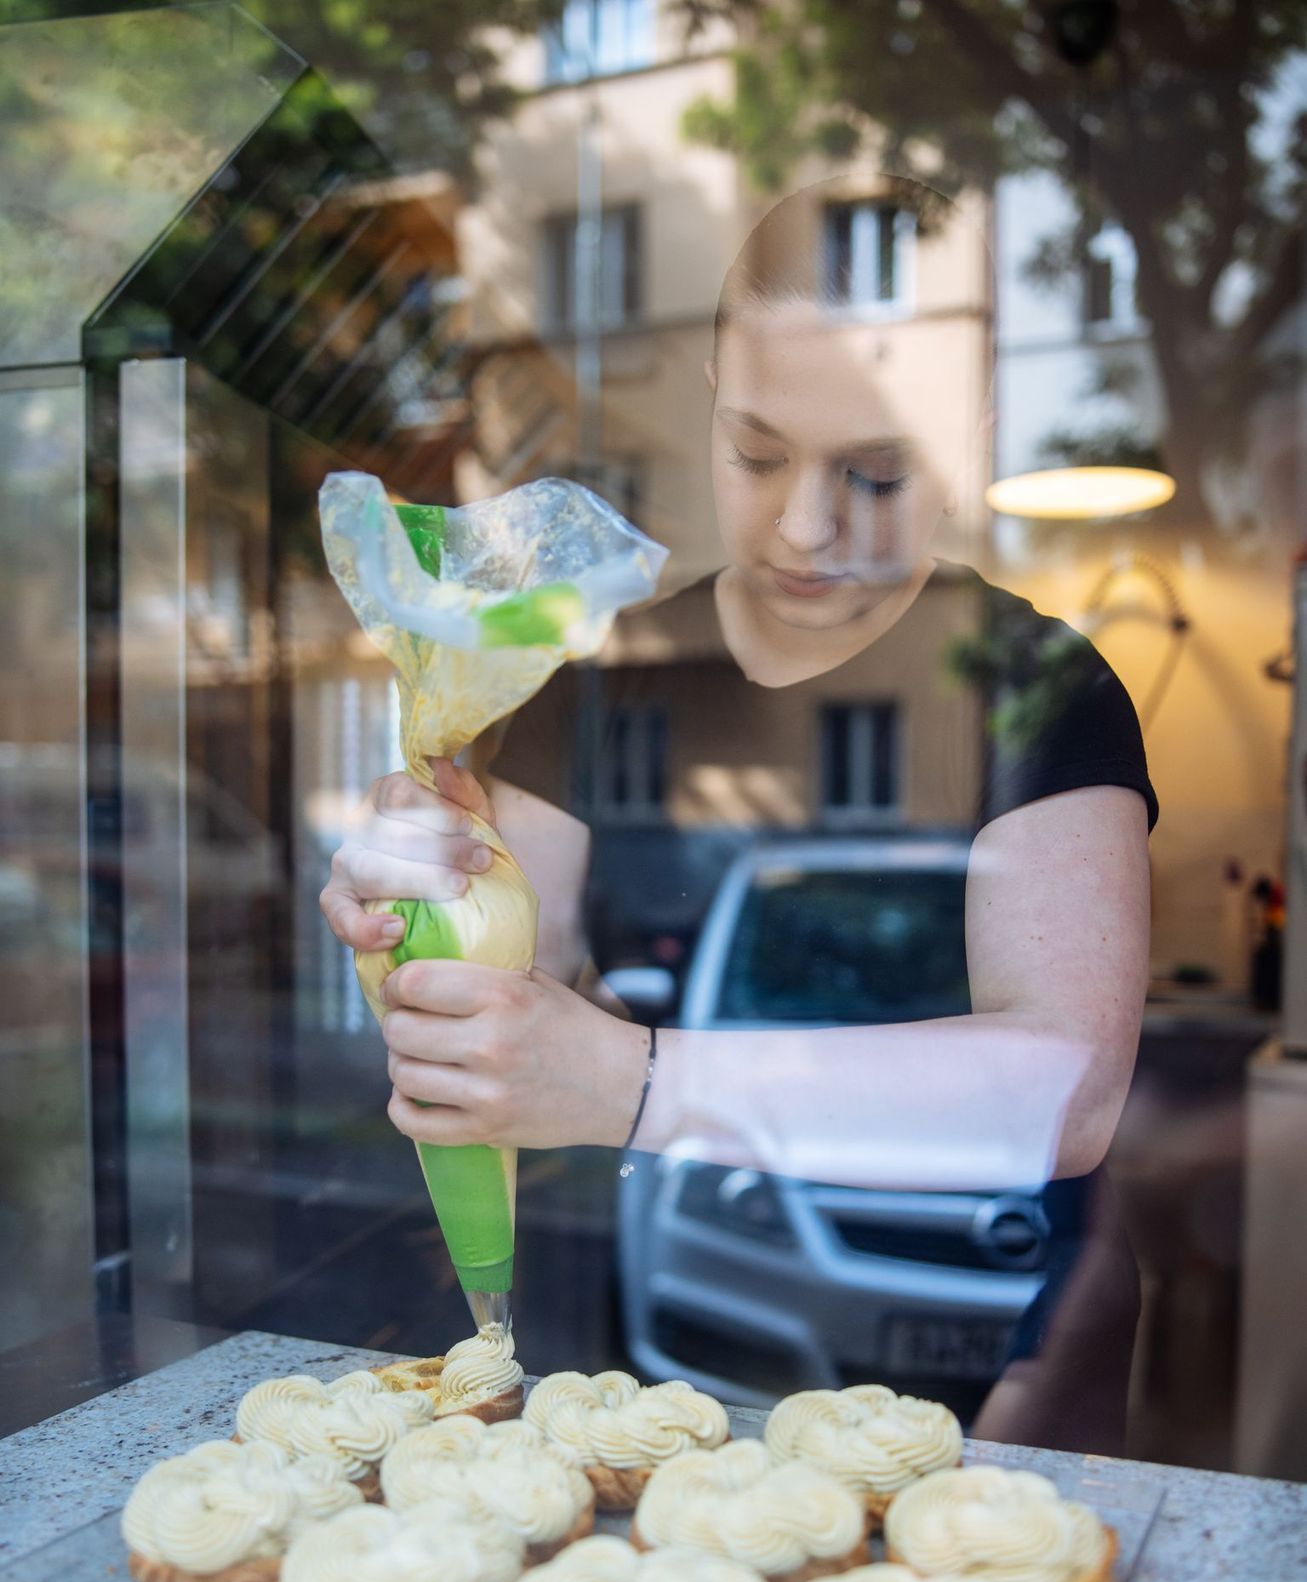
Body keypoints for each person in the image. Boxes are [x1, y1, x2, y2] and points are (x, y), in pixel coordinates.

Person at [319, 176, 1156, 1451]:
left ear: (970, 441)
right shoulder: (593, 685)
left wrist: (628, 1080)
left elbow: (1068, 1092)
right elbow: (515, 985)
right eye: (757, 455)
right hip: (636, 1363)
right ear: (710, 396)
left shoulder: (1038, 688)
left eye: (876, 472)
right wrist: (414, 920)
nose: (807, 527)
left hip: (956, 1357)